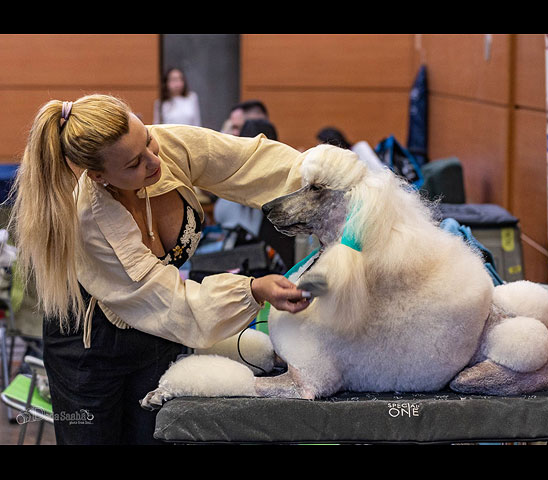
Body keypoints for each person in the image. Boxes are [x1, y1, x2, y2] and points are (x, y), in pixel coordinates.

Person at [8, 94, 335, 445]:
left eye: (148, 140)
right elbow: (170, 303)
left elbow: (248, 162)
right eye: (135, 163)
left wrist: (325, 181)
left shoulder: (164, 144)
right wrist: (252, 290)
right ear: (99, 176)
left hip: (158, 336)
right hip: (90, 355)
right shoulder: (90, 219)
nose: (154, 160)